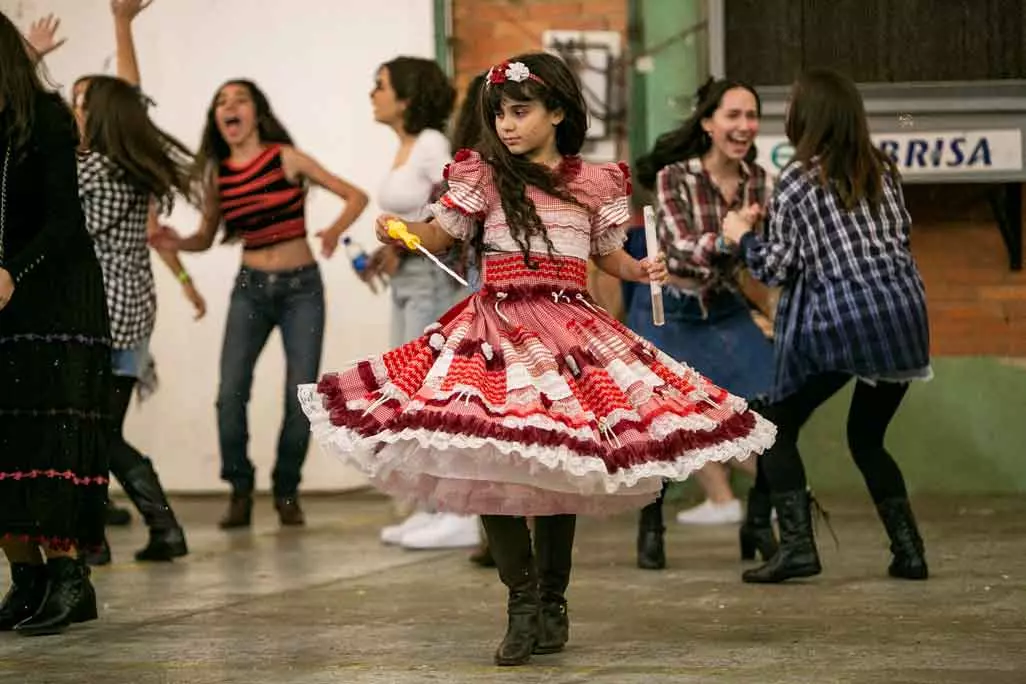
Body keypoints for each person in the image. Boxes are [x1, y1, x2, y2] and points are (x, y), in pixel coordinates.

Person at [298, 52, 775, 666]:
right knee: (487, 459)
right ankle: (521, 602)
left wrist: (639, 268)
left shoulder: (591, 184)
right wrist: (405, 230)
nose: (506, 125)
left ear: (557, 113)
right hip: (494, 333)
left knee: (559, 468)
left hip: (570, 335)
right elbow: (441, 233)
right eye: (499, 114)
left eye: (520, 112)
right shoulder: (484, 177)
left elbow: (606, 255)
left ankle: (553, 601)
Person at [722, 68, 931, 584]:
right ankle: (909, 552)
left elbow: (775, 267)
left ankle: (797, 548)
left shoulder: (798, 179)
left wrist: (741, 234)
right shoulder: (882, 169)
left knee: (773, 427)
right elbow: (895, 237)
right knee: (867, 438)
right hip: (904, 319)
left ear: (808, 118)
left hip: (843, 321)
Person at [150, 80, 369, 527]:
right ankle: (240, 488)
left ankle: (286, 489)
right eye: (221, 102)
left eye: (240, 100)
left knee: (300, 393)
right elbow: (205, 237)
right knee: (230, 393)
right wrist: (177, 242)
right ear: (217, 119)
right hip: (249, 289)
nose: (229, 107)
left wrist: (332, 231)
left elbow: (355, 196)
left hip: (301, 289)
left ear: (256, 113)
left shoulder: (285, 158)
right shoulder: (219, 175)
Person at [30, 0, 202, 566]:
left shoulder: (94, 169)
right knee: (98, 430)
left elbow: (115, 101)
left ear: (98, 115)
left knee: (94, 433)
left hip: (103, 319)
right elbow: (130, 99)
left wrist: (26, 61)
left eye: (80, 102)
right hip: (131, 316)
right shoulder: (126, 164)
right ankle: (105, 537)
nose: (72, 109)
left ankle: (154, 528)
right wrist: (122, 27)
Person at [630, 78, 778, 569]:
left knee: (770, 410)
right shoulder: (676, 177)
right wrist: (732, 237)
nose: (744, 126)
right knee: (659, 423)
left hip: (724, 307)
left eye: (751, 116)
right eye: (733, 115)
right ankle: (651, 526)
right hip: (668, 309)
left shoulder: (761, 181)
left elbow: (767, 256)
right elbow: (679, 250)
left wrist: (767, 304)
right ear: (709, 124)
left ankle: (760, 522)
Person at [0, 10, 109, 635]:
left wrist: (15, 270)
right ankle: (27, 577)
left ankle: (69, 577)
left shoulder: (44, 116)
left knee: (48, 439)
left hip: (55, 299)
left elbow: (65, 220)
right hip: (6, 294)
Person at [361, 57, 480, 551]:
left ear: (407, 96)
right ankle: (433, 507)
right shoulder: (408, 145)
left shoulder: (431, 144)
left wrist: (406, 244)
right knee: (409, 394)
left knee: (432, 393)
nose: (372, 94)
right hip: (409, 282)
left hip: (432, 283)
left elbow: (456, 202)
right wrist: (389, 250)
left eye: (380, 85)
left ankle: (461, 513)